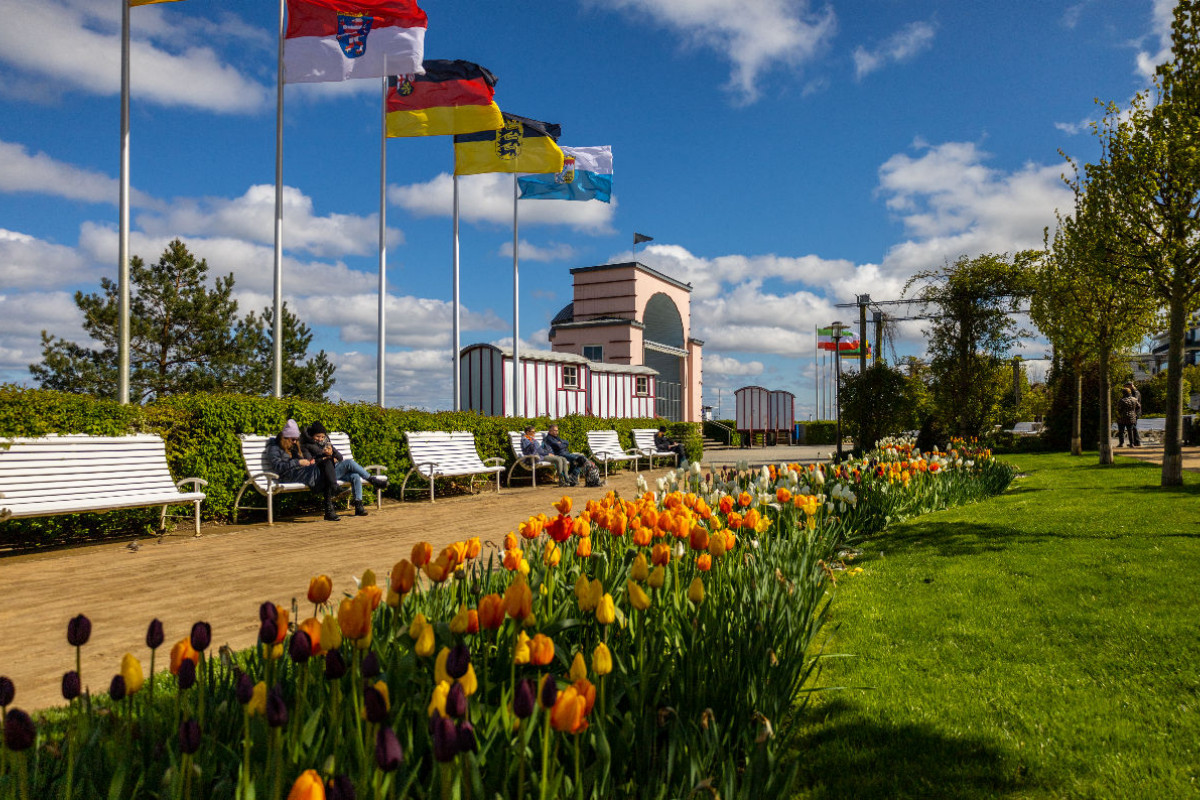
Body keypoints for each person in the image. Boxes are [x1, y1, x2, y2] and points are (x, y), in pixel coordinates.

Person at [301, 421, 387, 516]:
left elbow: (340, 457)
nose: (320, 439)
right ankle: (372, 479)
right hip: (322, 473)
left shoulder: (326, 443)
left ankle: (359, 506)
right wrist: (326, 457)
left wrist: (332, 454)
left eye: (322, 436)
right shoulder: (306, 446)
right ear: (312, 435)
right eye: (317, 436)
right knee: (349, 462)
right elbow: (310, 462)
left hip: (334, 470)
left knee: (355, 476)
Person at [265, 419, 342, 521]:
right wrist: (298, 462)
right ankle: (333, 492)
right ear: (285, 438)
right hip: (288, 475)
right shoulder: (274, 448)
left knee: (326, 465)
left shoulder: (293, 445)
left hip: (301, 472)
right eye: (293, 439)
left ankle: (330, 505)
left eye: (296, 439)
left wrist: (306, 462)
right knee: (326, 467)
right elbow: (278, 467)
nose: (295, 442)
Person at [1123, 382, 1142, 446]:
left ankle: (1137, 441)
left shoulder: (1135, 392)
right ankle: (1135, 442)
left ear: (1130, 386)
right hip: (1134, 412)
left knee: (1133, 426)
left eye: (1126, 387)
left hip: (1135, 412)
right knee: (1133, 426)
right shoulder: (1134, 392)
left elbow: (1135, 401)